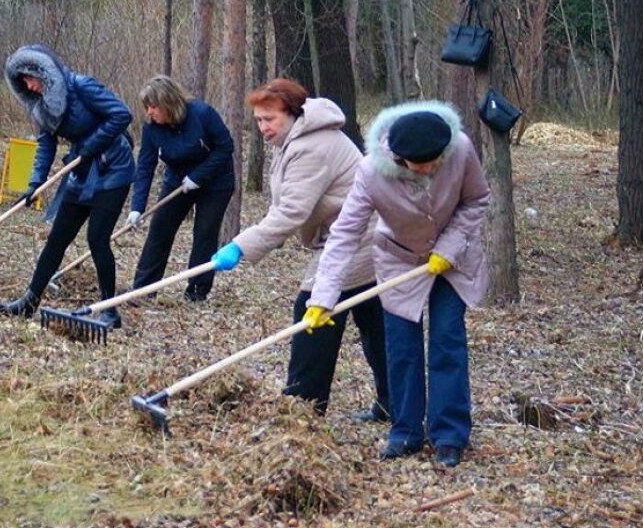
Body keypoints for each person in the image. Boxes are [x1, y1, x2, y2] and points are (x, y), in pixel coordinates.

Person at [305, 101, 491, 468]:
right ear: (398, 157)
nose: (430, 168)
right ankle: (405, 431)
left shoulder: (461, 149)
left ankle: (450, 434)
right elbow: (344, 235)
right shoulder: (372, 171)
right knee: (402, 345)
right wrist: (322, 296)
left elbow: (477, 199)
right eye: (420, 164)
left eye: (435, 160)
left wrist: (449, 247)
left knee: (447, 340)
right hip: (399, 259)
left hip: (452, 260)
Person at [210, 78, 390, 422]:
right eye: (259, 120)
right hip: (351, 237)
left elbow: (292, 212)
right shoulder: (296, 139)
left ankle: (302, 406)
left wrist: (240, 246)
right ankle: (393, 403)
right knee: (375, 322)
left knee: (313, 313)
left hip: (356, 239)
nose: (263, 127)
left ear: (292, 114)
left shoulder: (312, 146)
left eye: (270, 119)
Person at [0, 44, 135, 328]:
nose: (30, 86)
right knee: (57, 238)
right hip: (81, 172)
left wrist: (90, 147)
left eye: (30, 79)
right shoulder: (43, 105)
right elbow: (46, 144)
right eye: (23, 83)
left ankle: (110, 310)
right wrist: (35, 184)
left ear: (42, 73)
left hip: (113, 171)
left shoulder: (80, 87)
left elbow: (122, 115)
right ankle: (29, 301)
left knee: (97, 239)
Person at [126, 75, 235, 302]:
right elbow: (145, 166)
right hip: (177, 181)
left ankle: (197, 291)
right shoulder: (151, 128)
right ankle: (143, 289)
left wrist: (198, 176)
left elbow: (225, 147)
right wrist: (136, 207)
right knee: (160, 228)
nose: (150, 112)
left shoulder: (202, 114)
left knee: (204, 233)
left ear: (168, 103)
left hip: (215, 182)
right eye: (147, 107)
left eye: (154, 106)